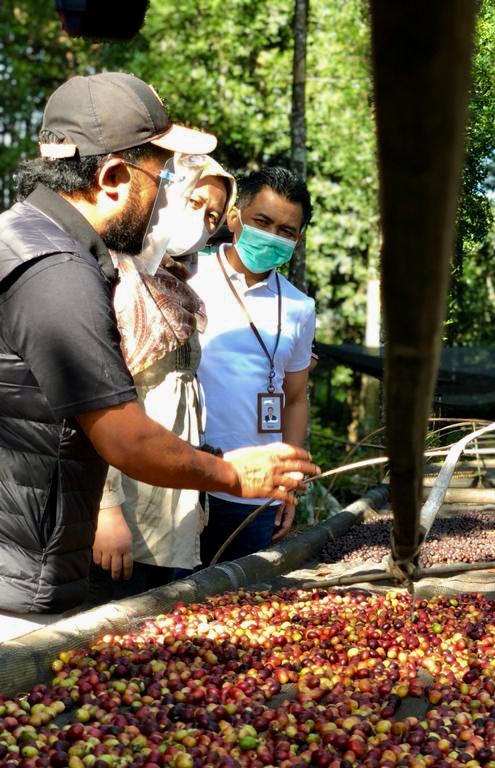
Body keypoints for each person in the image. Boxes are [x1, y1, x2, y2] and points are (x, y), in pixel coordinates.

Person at [0, 73, 317, 638]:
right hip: (21, 579)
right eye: (165, 175)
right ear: (115, 178)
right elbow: (122, 434)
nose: (170, 195)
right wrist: (226, 474)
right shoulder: (58, 272)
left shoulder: (29, 238)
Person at [89, 158, 238, 603]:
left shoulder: (175, 286)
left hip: (171, 504)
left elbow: (185, 402)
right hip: (124, 505)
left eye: (212, 215)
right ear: (165, 190)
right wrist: (106, 510)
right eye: (194, 200)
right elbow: (99, 402)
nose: (200, 220)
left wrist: (197, 496)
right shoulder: (114, 276)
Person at [190, 167, 316, 564]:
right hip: (186, 482)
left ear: (298, 239)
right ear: (234, 217)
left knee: (239, 609)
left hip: (258, 493)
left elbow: (294, 398)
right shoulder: (187, 276)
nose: (272, 235)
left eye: (286, 230)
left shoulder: (300, 306)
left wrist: (289, 481)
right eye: (262, 221)